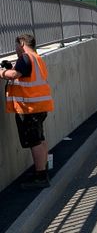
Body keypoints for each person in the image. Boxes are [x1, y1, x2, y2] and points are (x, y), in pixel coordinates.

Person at [0, 34, 54, 189]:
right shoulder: (37, 58)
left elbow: (15, 75)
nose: (15, 49)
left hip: (29, 108)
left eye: (16, 45)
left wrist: (2, 72)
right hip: (39, 106)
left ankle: (40, 177)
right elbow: (24, 76)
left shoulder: (25, 58)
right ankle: (41, 172)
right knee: (40, 138)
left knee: (34, 142)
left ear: (22, 43)